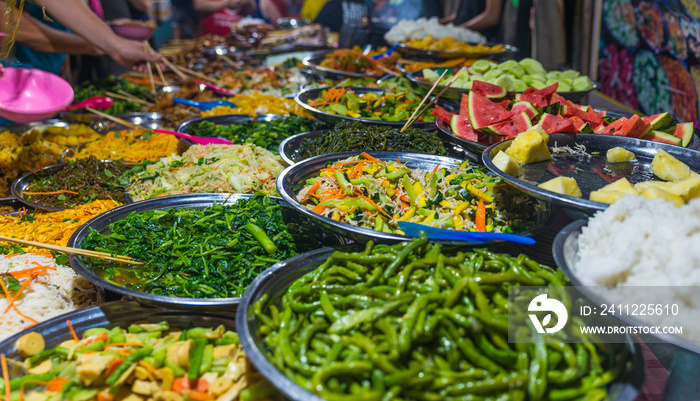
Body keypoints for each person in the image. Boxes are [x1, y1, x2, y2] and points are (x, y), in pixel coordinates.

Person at [0, 2, 103, 75]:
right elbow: (11, 23)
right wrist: (91, 45)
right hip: (20, 71)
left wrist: (108, 32)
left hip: (49, 67)